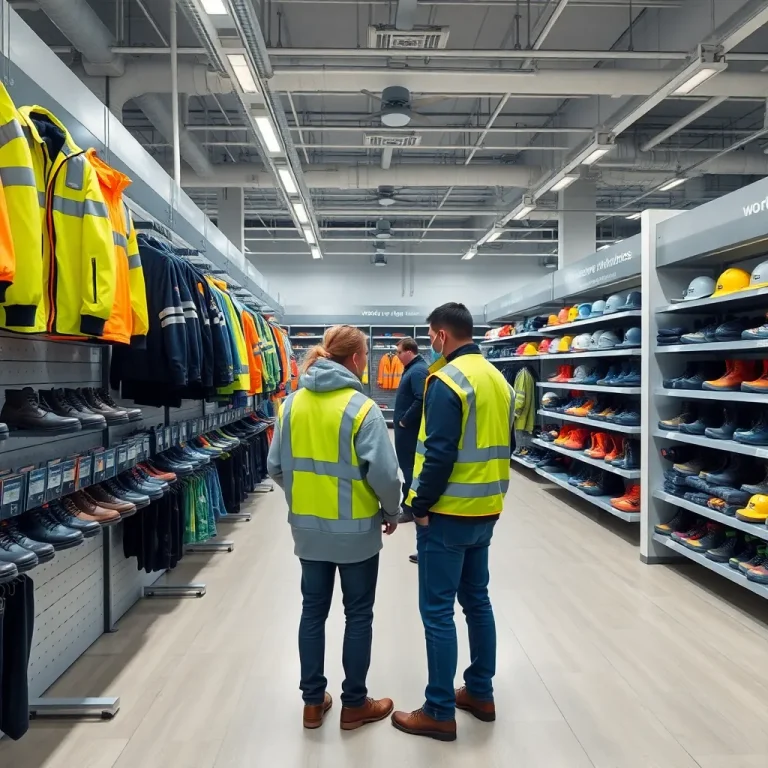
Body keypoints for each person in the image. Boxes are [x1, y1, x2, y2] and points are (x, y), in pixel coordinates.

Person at [267, 325, 402, 732]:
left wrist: (304, 496)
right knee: (358, 615)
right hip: (358, 534)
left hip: (308, 531)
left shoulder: (291, 405)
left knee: (312, 612)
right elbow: (385, 475)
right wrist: (392, 511)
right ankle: (354, 705)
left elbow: (274, 466)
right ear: (358, 360)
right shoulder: (362, 409)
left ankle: (312, 703)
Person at [391, 302, 513, 742]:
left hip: (446, 514)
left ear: (441, 335)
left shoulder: (446, 381)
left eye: (430, 336)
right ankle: (480, 692)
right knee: (477, 601)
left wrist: (419, 505)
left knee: (438, 611)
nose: (429, 343)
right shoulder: (497, 378)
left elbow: (439, 452)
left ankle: (439, 710)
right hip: (487, 508)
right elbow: (509, 441)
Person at [392, 337, 428, 564]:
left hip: (410, 432)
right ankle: (407, 506)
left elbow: (421, 398)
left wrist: (405, 421)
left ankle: (410, 508)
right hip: (406, 431)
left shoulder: (417, 371)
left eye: (398, 352)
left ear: (409, 351)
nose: (396, 356)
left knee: (410, 468)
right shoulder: (413, 369)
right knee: (406, 467)